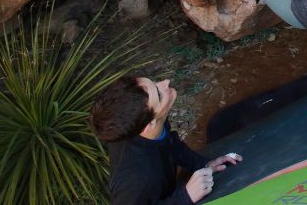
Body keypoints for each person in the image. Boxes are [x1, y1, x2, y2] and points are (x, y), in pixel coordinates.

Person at [89, 76, 243, 204]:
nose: (166, 82)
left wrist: (203, 164)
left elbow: (169, 143)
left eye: (155, 83)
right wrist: (185, 197)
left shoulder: (147, 122)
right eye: (159, 94)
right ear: (149, 124)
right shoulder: (138, 181)